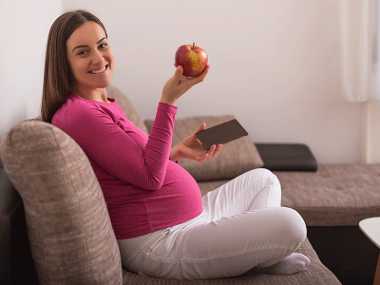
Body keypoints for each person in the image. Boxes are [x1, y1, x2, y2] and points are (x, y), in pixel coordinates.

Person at [41, 10, 310, 280]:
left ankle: (256, 255)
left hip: (189, 219)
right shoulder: (80, 115)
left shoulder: (103, 104)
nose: (99, 58)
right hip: (159, 241)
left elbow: (132, 168)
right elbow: (150, 177)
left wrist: (175, 153)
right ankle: (258, 256)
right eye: (83, 52)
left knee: (264, 180)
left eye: (102, 45)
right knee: (292, 224)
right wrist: (168, 101)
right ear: (63, 62)